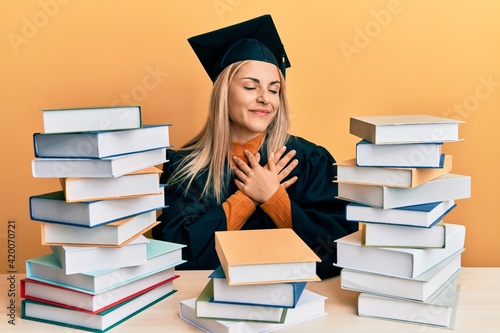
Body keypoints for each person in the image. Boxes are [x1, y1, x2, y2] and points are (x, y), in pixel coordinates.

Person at [152, 15, 358, 279]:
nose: (264, 98)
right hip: (207, 302)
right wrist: (247, 199)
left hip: (300, 303)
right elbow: (178, 257)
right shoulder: (185, 168)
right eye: (250, 87)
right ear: (223, 92)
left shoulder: (307, 160)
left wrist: (275, 198)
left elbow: (338, 253)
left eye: (274, 90)